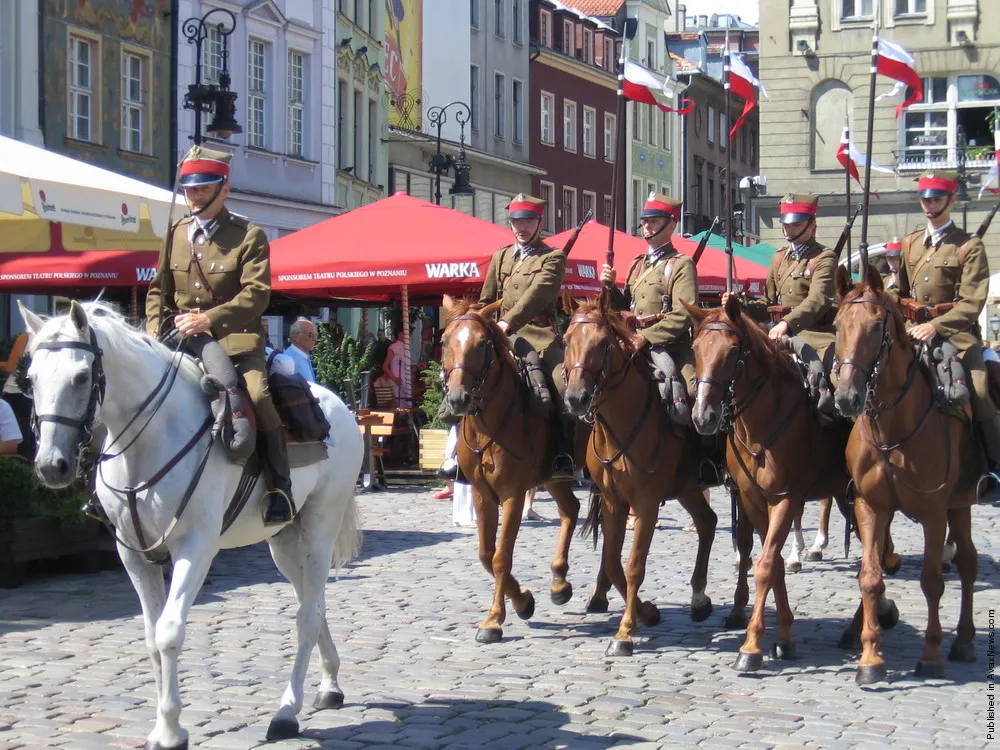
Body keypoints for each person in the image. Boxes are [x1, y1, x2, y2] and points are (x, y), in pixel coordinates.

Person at [145, 145, 293, 526]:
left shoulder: (248, 235)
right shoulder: (175, 232)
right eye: (189, 189)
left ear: (223, 188)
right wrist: (151, 333)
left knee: (258, 396)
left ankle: (280, 486)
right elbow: (158, 291)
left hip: (236, 342)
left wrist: (208, 319)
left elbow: (256, 295)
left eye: (202, 187)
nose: (193, 195)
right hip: (179, 341)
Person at [897, 170, 1000, 500]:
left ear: (951, 200)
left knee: (981, 392)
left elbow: (972, 303)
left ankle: (994, 466)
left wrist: (936, 326)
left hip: (956, 337)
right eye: (925, 198)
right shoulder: (911, 243)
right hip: (912, 332)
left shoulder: (968, 246)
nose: (929, 204)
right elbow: (898, 290)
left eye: (936, 198)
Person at [479, 193, 574, 479]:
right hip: (499, 334)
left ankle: (563, 454)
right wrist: (481, 323)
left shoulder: (553, 257)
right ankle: (459, 456)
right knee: (464, 376)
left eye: (528, 221)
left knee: (561, 384)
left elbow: (536, 296)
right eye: (516, 221)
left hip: (538, 334)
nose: (522, 227)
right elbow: (487, 298)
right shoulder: (501, 256)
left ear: (539, 223)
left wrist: (507, 322)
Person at [725, 194, 835, 410]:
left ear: (812, 225)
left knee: (839, 378)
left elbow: (818, 299)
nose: (790, 230)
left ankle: (840, 426)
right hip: (775, 331)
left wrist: (788, 323)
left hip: (813, 333)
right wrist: (740, 304)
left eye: (797, 224)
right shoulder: (779, 258)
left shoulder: (823, 257)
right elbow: (768, 302)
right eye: (786, 224)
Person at [600, 192, 696, 424]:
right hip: (631, 339)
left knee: (693, 394)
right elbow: (624, 306)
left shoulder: (681, 264)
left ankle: (706, 457)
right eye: (645, 220)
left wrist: (646, 337)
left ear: (671, 224)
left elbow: (683, 314)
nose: (647, 225)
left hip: (669, 346)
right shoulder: (637, 263)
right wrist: (610, 289)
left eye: (654, 220)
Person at [382, 328, 412, 408]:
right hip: (396, 381)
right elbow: (385, 366)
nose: (407, 336)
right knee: (399, 406)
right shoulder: (394, 347)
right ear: (399, 334)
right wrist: (394, 378)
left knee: (407, 405)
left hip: (405, 381)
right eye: (404, 333)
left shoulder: (406, 348)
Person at [286, 318, 318, 383]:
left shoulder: (304, 356)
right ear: (297, 336)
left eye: (316, 336)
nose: (315, 339)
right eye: (311, 335)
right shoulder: (289, 359)